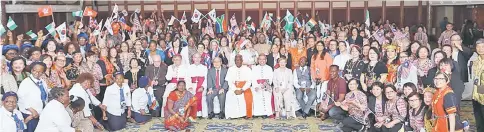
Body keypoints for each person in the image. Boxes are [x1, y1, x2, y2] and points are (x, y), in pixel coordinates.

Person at [17, 62, 49, 132]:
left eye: (40, 72)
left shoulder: (42, 82)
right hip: (30, 114)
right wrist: (32, 110)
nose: (37, 73)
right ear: (31, 70)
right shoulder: (26, 82)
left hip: (41, 113)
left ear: (43, 72)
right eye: (35, 70)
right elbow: (21, 98)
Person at [225, 55, 253, 119]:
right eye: (237, 60)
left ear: (242, 61)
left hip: (245, 88)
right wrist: (235, 89)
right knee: (229, 95)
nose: (238, 61)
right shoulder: (230, 69)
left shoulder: (247, 69)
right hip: (234, 88)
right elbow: (230, 82)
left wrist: (242, 90)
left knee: (248, 95)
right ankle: (232, 115)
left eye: (240, 60)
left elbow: (249, 82)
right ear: (234, 61)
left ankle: (245, 114)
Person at [188, 53, 208, 117]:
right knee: (191, 93)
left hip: (201, 86)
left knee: (202, 94)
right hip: (192, 86)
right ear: (193, 59)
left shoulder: (204, 68)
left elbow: (206, 79)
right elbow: (187, 78)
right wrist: (189, 86)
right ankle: (192, 113)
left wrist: (203, 87)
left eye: (198, 57)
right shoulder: (189, 67)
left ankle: (201, 114)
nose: (197, 59)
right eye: (195, 57)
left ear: (201, 59)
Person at [472, 38, 484, 132]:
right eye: (478, 47)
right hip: (476, 92)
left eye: (483, 47)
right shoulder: (476, 61)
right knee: (478, 116)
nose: (480, 49)